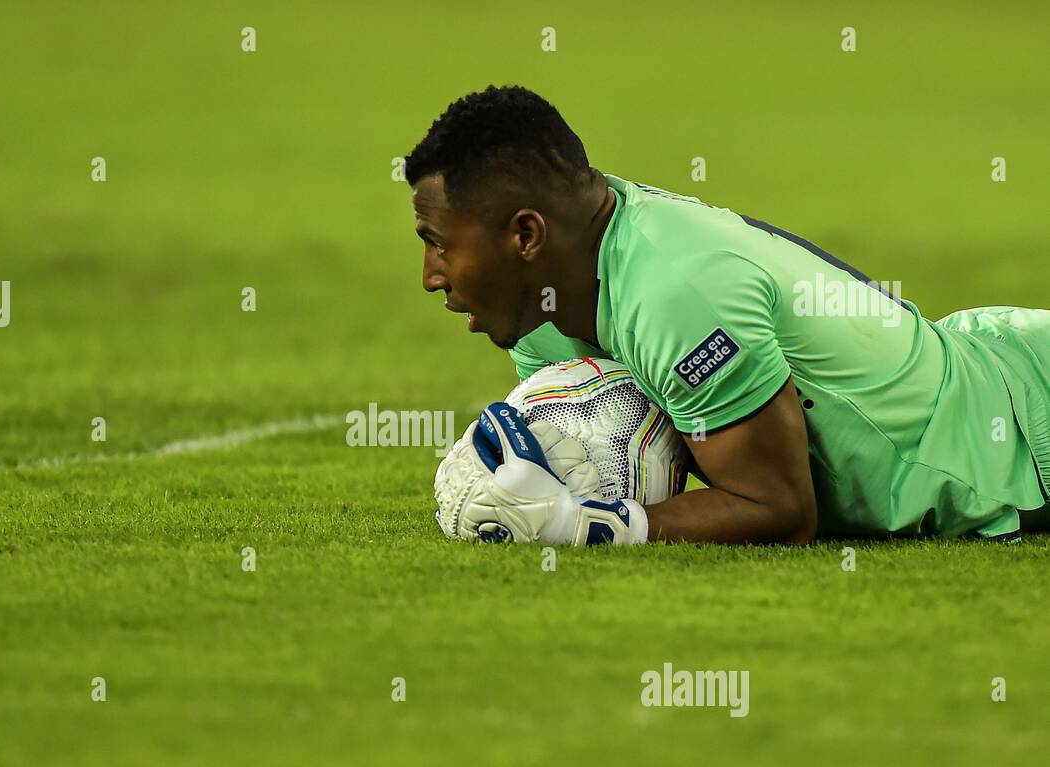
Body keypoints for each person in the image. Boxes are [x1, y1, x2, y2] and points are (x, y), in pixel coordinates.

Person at [409, 86, 1050, 544]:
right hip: (989, 362)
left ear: (526, 236)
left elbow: (776, 508)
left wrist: (580, 525)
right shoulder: (552, 301)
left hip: (1020, 421)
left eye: (438, 243)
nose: (430, 276)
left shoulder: (674, 294)